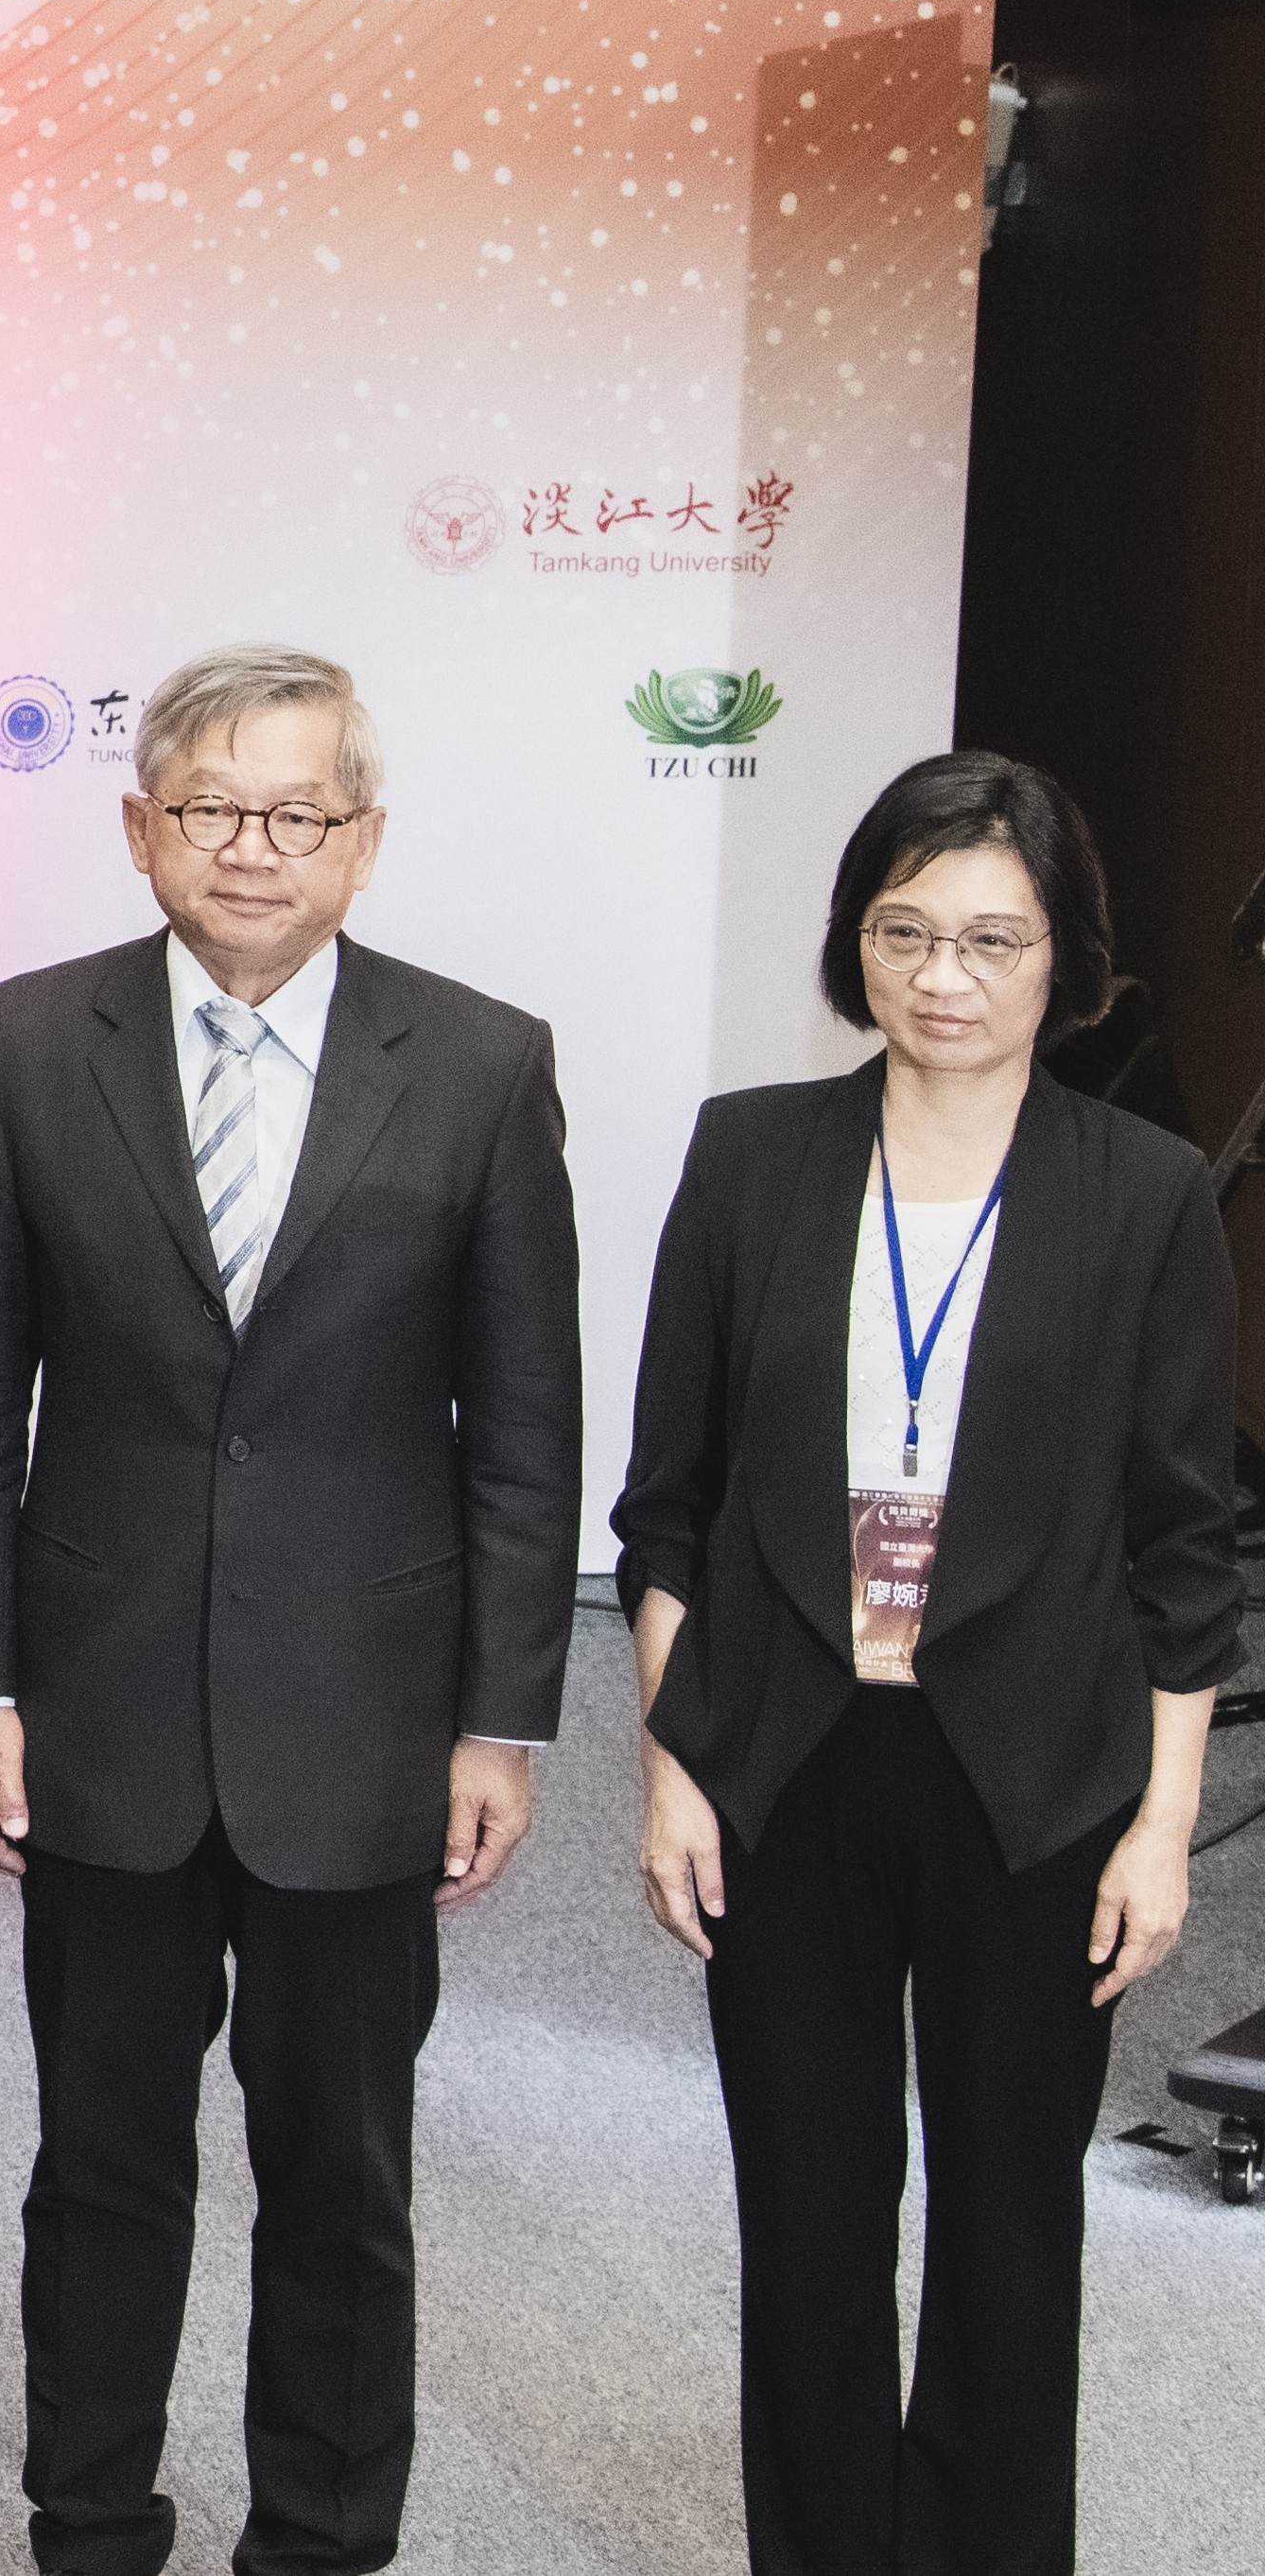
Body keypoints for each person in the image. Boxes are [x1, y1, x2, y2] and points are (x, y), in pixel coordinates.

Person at [0, 646, 580, 2576]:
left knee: (344, 2178)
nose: (251, 849)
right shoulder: (30, 1044)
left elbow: (523, 1424)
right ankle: (92, 2524)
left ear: (362, 840)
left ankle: (322, 2534)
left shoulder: (478, 1061)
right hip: (98, 1707)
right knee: (102, 2168)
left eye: (298, 813)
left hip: (368, 1725)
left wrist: (502, 1720)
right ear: (141, 828)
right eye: (210, 807)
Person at [615, 751, 1239, 2576]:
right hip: (790, 1754)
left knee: (1004, 2229)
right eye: (905, 931)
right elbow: (673, 1500)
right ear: (856, 944)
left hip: (1037, 1773)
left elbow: (1183, 1543)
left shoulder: (1144, 1195)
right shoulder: (752, 1156)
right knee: (808, 2221)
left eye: (992, 937)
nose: (944, 975)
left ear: (1066, 961)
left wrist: (1163, 1819)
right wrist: (676, 1760)